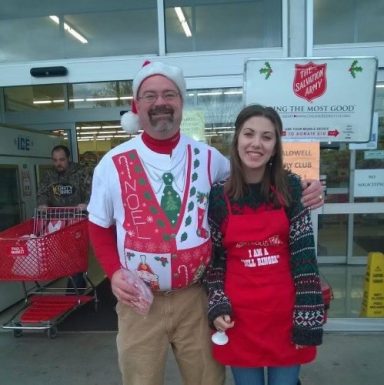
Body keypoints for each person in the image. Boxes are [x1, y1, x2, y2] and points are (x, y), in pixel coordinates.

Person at [86, 61, 325, 385]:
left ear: (181, 103)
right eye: (150, 95)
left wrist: (305, 185)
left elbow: (256, 179)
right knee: (140, 379)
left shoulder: (211, 159)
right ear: (136, 105)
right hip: (139, 300)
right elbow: (99, 224)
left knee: (207, 380)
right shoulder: (111, 164)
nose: (160, 103)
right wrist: (114, 271)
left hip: (195, 299)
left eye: (169, 94)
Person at [205, 104, 325, 385]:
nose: (256, 143)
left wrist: (307, 317)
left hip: (286, 318)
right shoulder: (219, 197)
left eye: (266, 137)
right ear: (237, 140)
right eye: (249, 134)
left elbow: (304, 256)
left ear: (275, 146)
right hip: (239, 320)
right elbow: (215, 261)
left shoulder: (292, 189)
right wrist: (218, 304)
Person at [37, 144, 92, 292]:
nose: (58, 163)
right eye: (55, 160)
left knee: (76, 255)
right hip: (56, 223)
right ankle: (75, 285)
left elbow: (92, 191)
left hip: (77, 222)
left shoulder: (82, 172)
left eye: (61, 160)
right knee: (61, 255)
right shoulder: (49, 175)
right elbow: (42, 192)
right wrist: (43, 204)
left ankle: (75, 290)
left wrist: (86, 204)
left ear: (68, 158)